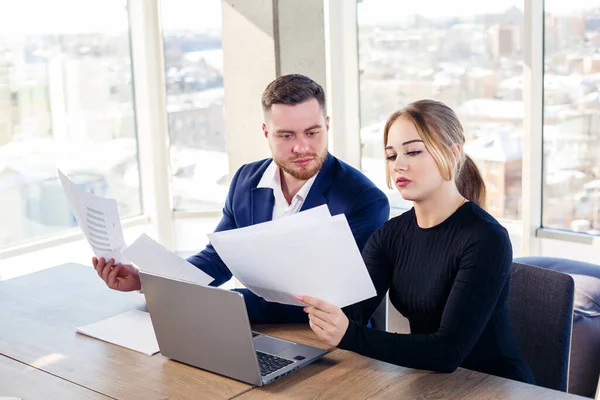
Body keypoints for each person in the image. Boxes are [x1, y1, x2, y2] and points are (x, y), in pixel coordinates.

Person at [93, 74, 390, 323]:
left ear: (327, 125)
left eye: (312, 133)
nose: (302, 147)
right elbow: (218, 259)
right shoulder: (246, 180)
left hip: (332, 345)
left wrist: (228, 304)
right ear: (266, 132)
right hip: (257, 329)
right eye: (286, 136)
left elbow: (343, 303)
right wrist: (148, 281)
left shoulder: (364, 201)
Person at [299, 99, 535, 383]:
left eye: (412, 151)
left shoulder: (486, 238)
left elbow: (448, 351)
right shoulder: (390, 235)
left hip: (495, 386)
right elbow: (353, 312)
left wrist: (350, 335)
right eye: (391, 156)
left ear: (451, 153)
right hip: (431, 381)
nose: (399, 165)